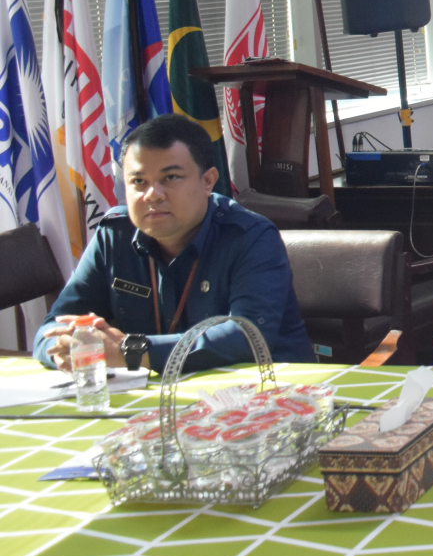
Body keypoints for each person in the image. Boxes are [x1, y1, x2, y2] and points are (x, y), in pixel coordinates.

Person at [35, 114, 312, 373]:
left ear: (208, 181)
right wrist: (67, 349)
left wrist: (131, 352)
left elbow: (246, 336)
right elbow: (50, 330)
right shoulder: (113, 236)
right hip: (158, 393)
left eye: (170, 178)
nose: (153, 195)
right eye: (138, 181)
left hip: (266, 391)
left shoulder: (251, 237)